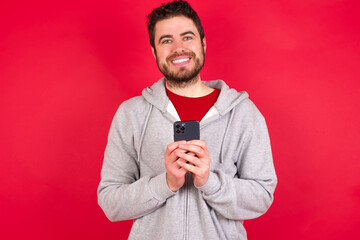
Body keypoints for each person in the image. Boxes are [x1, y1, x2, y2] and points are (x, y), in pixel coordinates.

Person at [97, 0, 277, 239]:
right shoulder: (131, 114)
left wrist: (208, 181)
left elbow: (262, 196)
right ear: (154, 51)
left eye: (187, 37)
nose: (178, 48)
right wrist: (167, 183)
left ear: (203, 43)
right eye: (167, 40)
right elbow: (111, 202)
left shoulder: (243, 113)